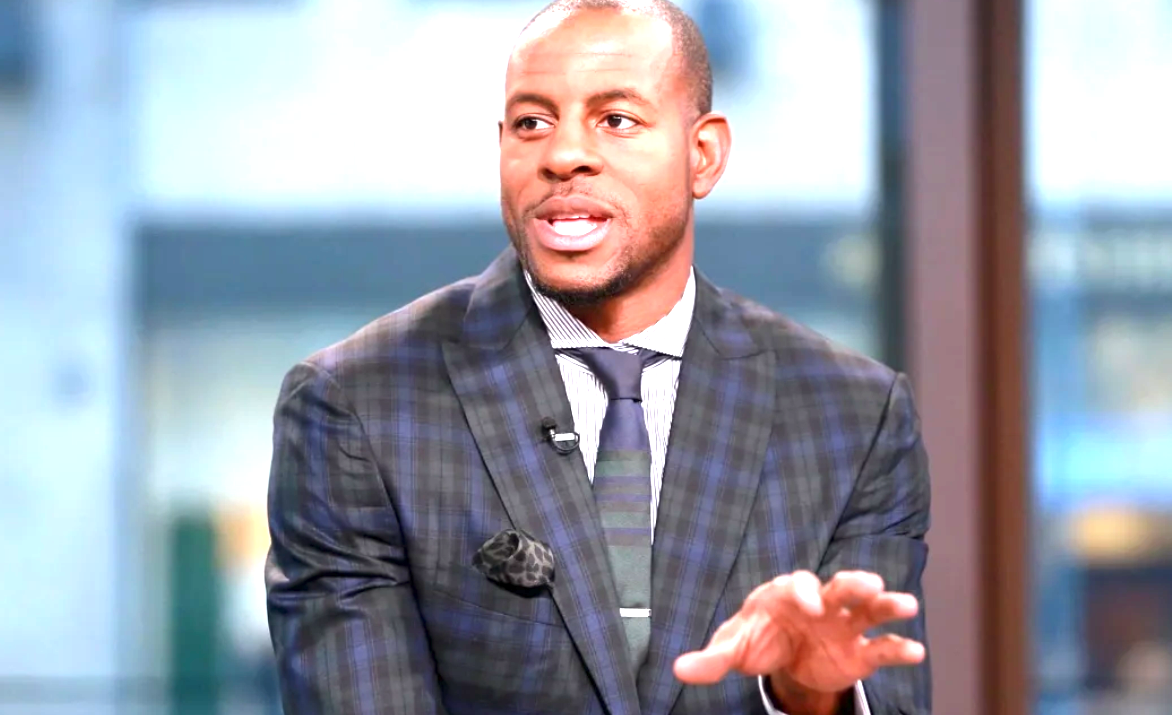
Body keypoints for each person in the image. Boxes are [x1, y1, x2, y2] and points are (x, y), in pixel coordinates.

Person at [263, 1, 931, 713]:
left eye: (615, 119)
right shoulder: (358, 405)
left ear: (703, 155)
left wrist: (811, 694)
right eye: (532, 123)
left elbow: (885, 691)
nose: (562, 155)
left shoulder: (854, 418)